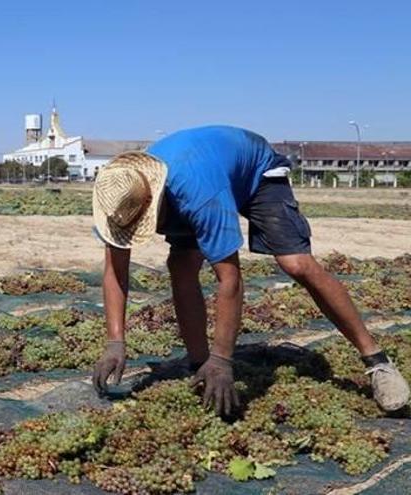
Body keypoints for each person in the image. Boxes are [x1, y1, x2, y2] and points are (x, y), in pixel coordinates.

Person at [90, 125, 409, 415]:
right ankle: (199, 365)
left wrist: (223, 359)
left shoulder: (200, 197)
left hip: (256, 172)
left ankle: (377, 362)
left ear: (156, 204)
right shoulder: (117, 198)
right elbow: (115, 272)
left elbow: (230, 280)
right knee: (181, 264)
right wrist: (115, 342)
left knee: (295, 264)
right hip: (203, 172)